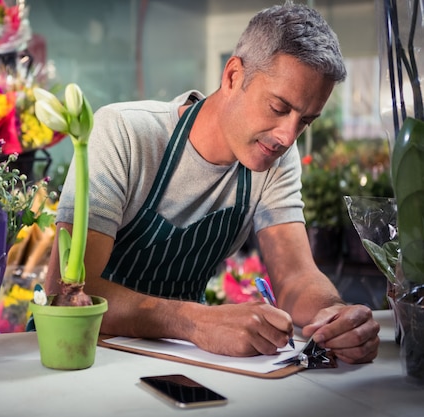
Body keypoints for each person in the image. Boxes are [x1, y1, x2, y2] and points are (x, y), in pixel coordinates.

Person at [46, 1, 380, 364]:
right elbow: (67, 293)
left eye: (306, 121)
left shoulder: (276, 158)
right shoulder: (124, 133)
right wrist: (194, 322)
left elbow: (296, 276)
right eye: (279, 108)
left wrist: (333, 315)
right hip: (80, 356)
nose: (287, 135)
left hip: (177, 360)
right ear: (233, 76)